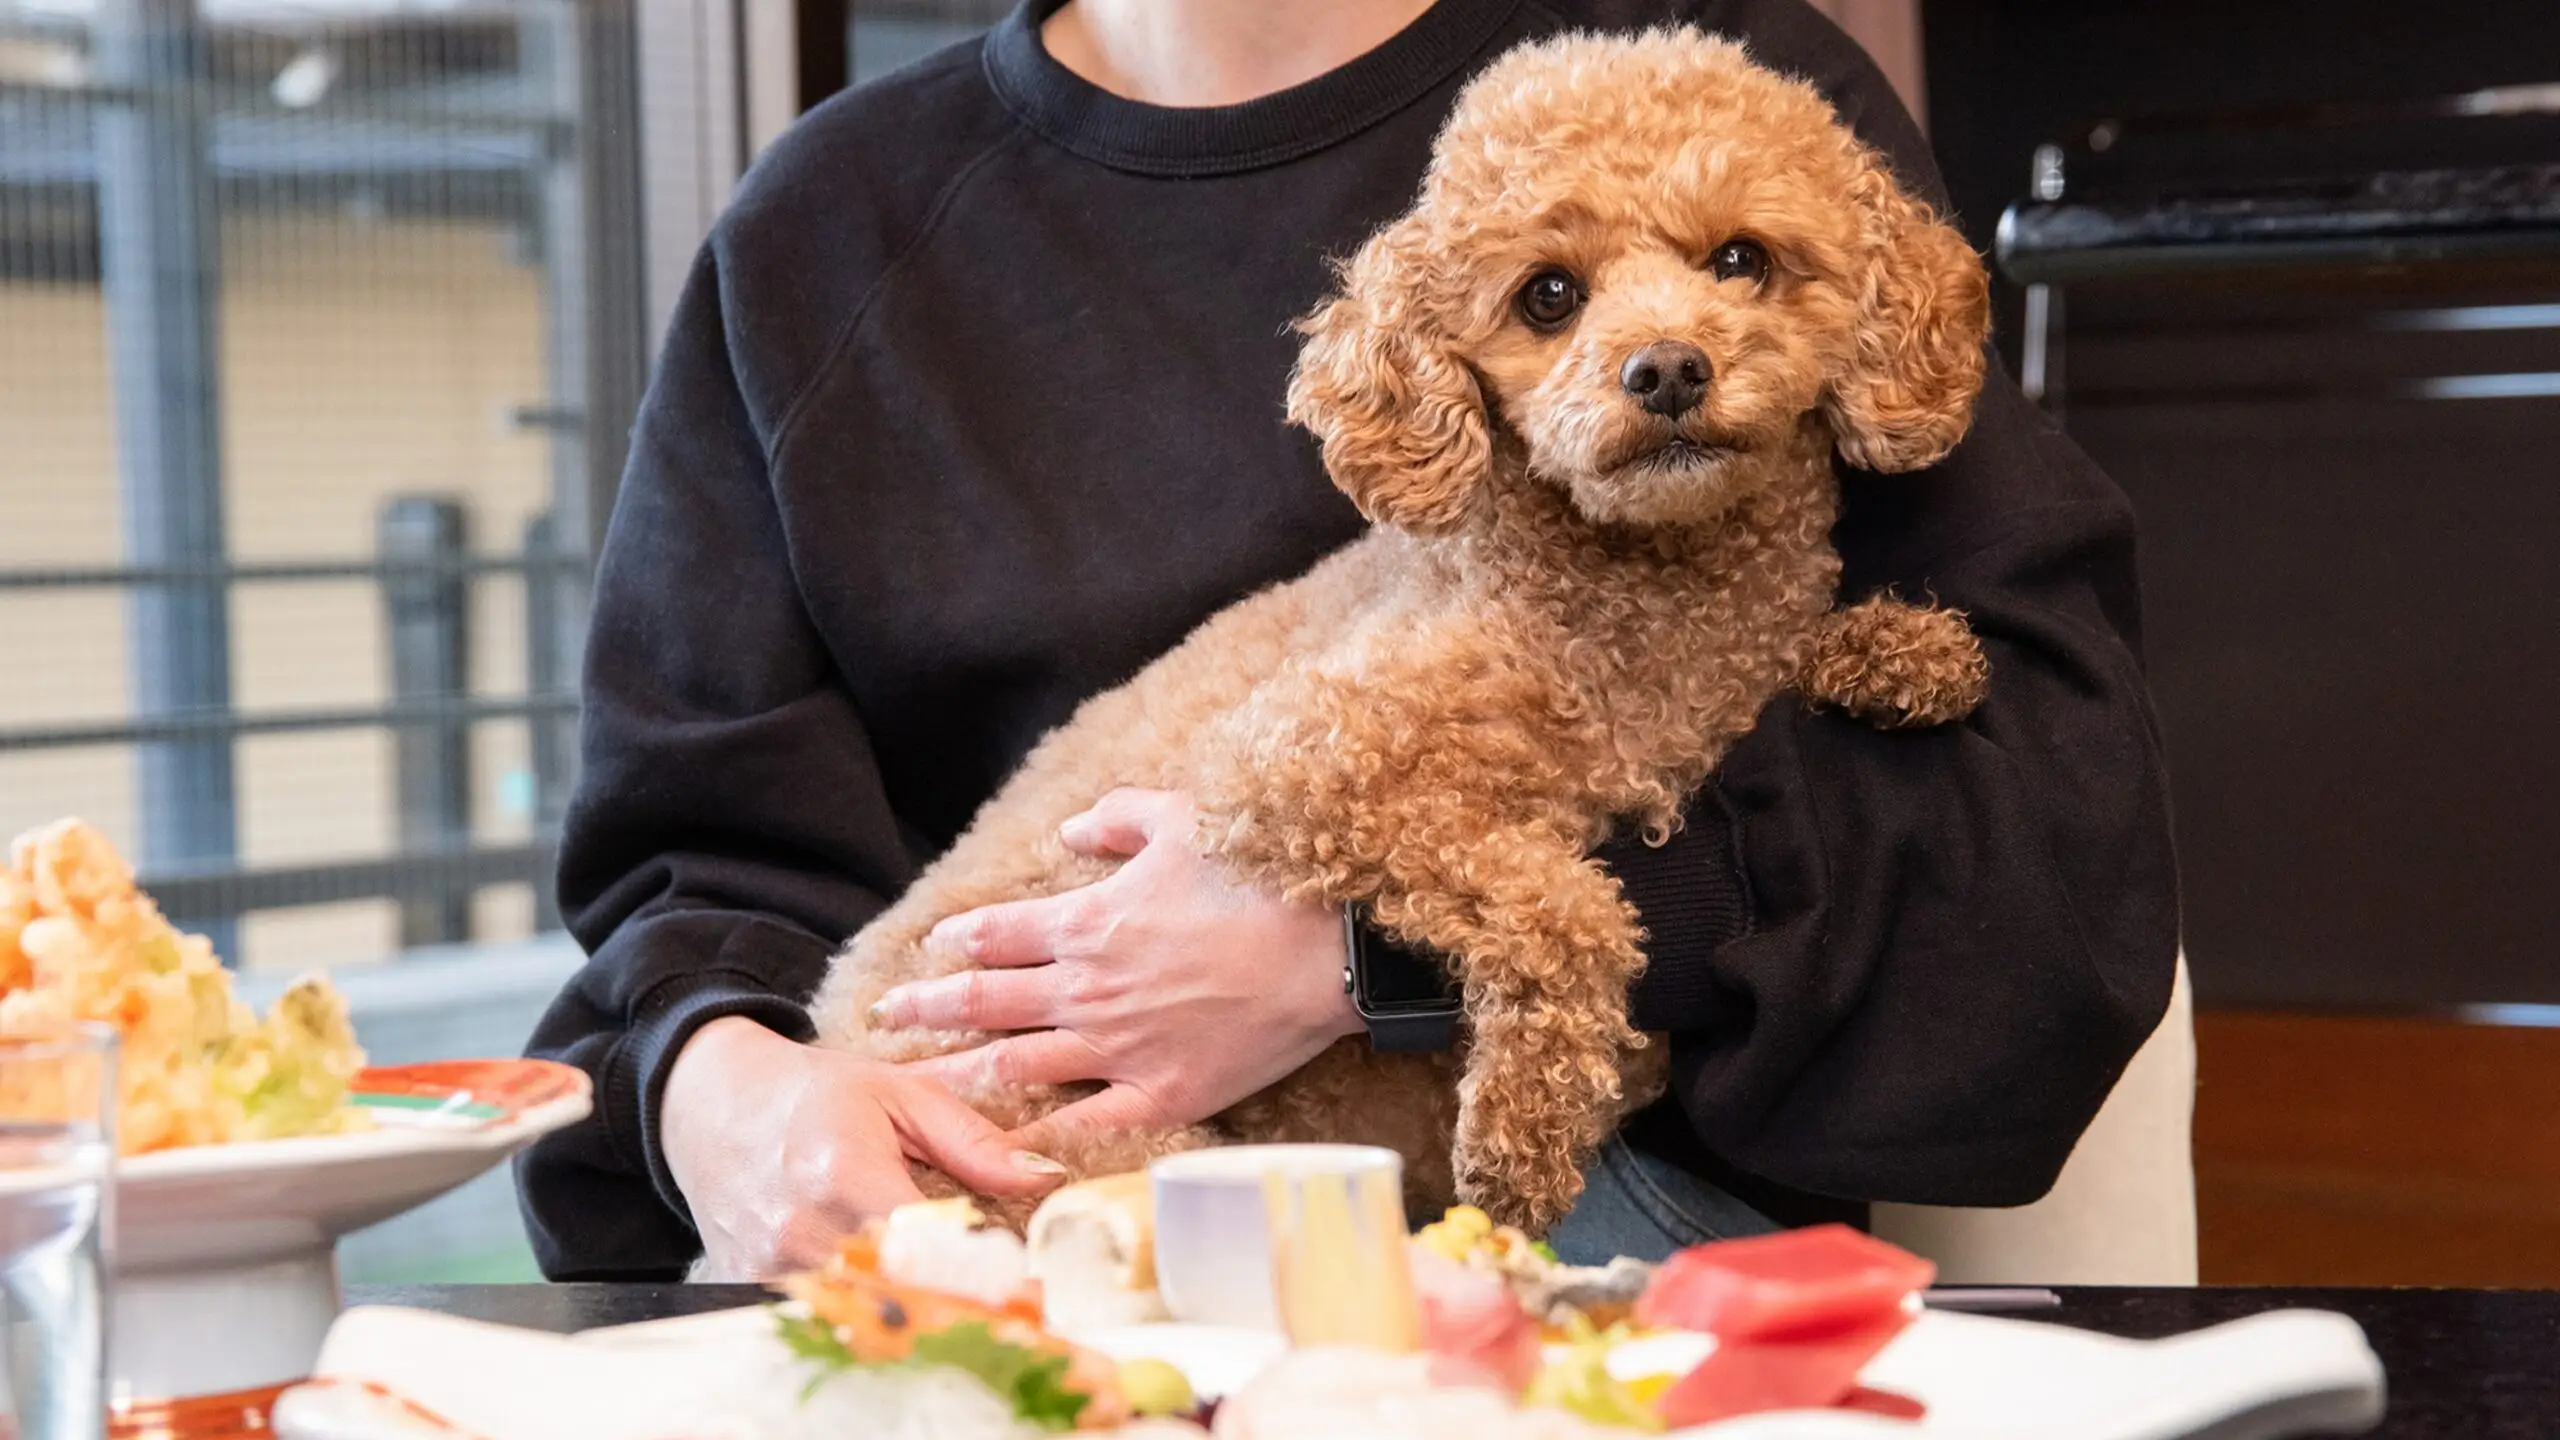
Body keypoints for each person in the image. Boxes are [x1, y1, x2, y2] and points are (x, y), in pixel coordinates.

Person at [516, 0, 2180, 1282]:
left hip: (1575, 1230)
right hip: (1010, 1214)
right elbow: (693, 878)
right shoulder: (824, 229)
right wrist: (728, 1102)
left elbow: (2037, 797)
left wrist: (1367, 962)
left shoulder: (1717, 94)